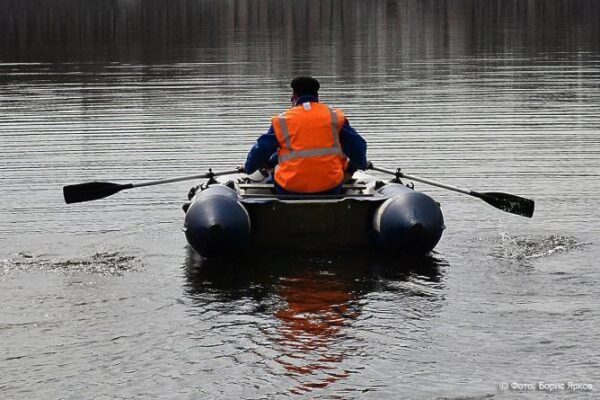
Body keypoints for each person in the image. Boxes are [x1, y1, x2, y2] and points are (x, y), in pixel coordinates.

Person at [244, 76, 368, 195]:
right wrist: (354, 167)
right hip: (330, 187)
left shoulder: (282, 120)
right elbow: (357, 147)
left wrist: (249, 167)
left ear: (293, 97)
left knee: (273, 175)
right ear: (317, 96)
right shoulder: (335, 117)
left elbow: (261, 150)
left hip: (289, 189)